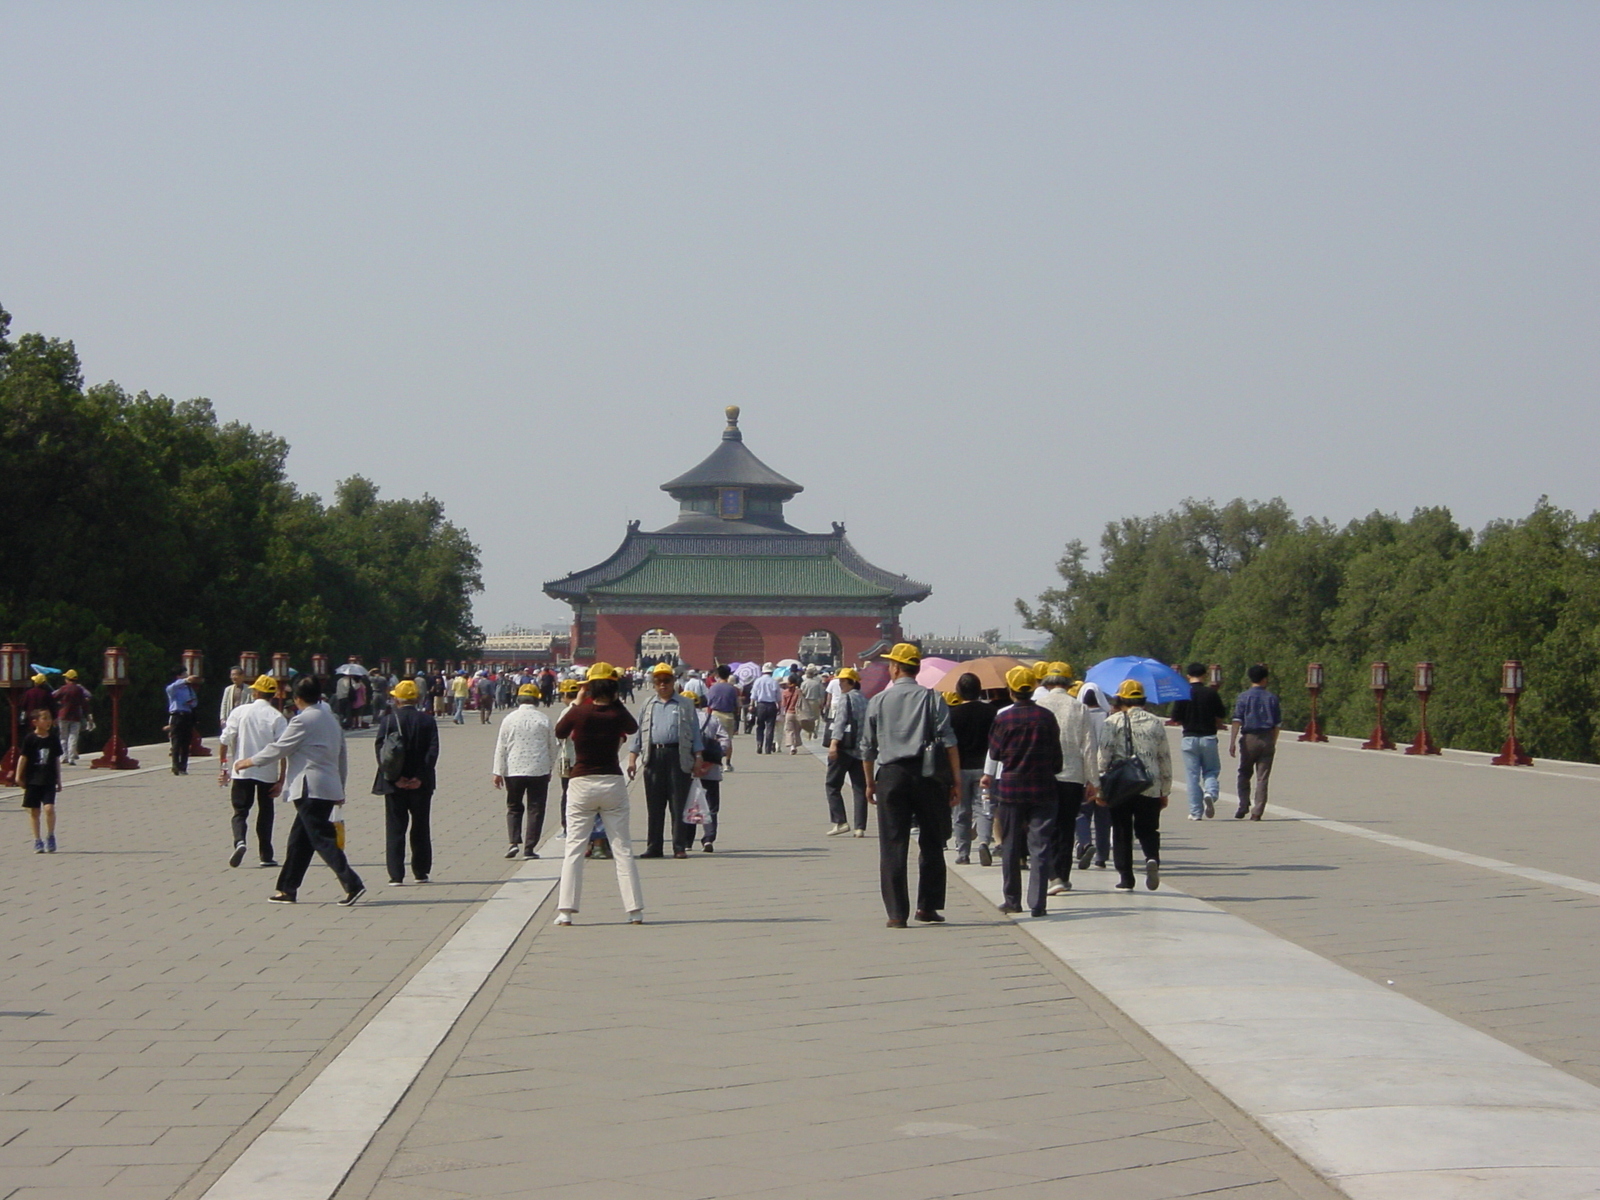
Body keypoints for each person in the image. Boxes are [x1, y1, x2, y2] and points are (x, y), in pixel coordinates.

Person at [236, 675, 365, 906]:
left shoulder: (302, 720)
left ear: (297, 698)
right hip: (327, 785)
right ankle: (287, 889)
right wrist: (340, 786)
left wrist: (250, 761)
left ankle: (352, 883)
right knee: (299, 841)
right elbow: (341, 755)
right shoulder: (330, 717)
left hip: (309, 787)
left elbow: (280, 748)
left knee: (321, 838)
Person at [859, 643, 960, 928]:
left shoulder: (878, 700)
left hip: (891, 776)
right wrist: (955, 782)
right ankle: (927, 907)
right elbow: (949, 741)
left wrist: (870, 782)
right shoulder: (932, 698)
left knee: (893, 844)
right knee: (932, 842)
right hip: (928, 777)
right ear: (915, 669)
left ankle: (896, 912)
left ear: (895, 668)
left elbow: (867, 747)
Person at [552, 663, 643, 925]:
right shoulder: (617, 714)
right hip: (612, 781)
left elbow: (559, 731)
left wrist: (578, 701)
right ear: (614, 688)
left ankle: (566, 911)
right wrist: (615, 701)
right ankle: (634, 909)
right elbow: (633, 727)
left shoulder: (579, 713)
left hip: (581, 782)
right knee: (622, 847)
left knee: (574, 848)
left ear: (589, 686)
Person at [982, 667, 1063, 917]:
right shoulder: (1047, 717)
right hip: (1043, 788)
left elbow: (995, 753)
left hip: (1010, 790)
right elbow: (1057, 759)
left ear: (1011, 690)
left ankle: (1012, 900)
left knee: (1010, 845)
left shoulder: (1003, 719)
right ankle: (1038, 903)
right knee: (1040, 845)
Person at [1097, 679, 1172, 892]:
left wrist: (1099, 787)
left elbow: (1104, 755)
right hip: (1149, 783)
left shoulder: (1114, 721)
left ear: (1120, 698)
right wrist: (1164, 790)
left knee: (1121, 830)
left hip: (1122, 784)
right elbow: (1164, 757)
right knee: (1148, 828)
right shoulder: (1156, 722)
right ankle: (1151, 857)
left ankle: (1126, 877)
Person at [626, 663, 706, 859]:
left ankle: (679, 846)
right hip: (654, 756)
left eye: (666, 681)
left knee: (678, 804)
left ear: (673, 681)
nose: (663, 685)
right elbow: (639, 734)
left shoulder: (685, 704)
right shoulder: (648, 704)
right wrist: (632, 759)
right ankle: (654, 846)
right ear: (654, 684)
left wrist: (698, 757)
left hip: (678, 756)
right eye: (658, 681)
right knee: (654, 805)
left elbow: (695, 732)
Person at [1033, 662, 1098, 894]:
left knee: (1044, 826)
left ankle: (1050, 875)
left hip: (1044, 774)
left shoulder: (1038, 705)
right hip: (1073, 775)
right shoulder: (1079, 707)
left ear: (1047, 681)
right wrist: (1093, 781)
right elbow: (1089, 747)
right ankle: (1063, 874)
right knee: (1066, 826)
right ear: (1069, 682)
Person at [372, 679, 440, 885]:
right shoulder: (428, 721)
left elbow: (380, 752)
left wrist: (395, 777)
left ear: (396, 699)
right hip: (422, 784)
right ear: (418, 699)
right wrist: (419, 777)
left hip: (394, 783)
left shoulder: (389, 721)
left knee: (395, 827)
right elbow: (433, 752)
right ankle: (421, 872)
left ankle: (396, 874)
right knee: (420, 826)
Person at [218, 673, 287, 868]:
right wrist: (281, 779)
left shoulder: (240, 712)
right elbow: (283, 749)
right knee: (265, 811)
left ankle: (240, 841)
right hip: (268, 771)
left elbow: (224, 740)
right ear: (272, 695)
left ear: (255, 692)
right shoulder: (277, 717)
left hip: (242, 770)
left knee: (240, 811)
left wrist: (223, 767)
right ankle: (266, 854)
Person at [493, 683, 558, 859]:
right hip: (538, 769)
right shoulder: (543, 719)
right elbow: (553, 747)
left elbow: (502, 746)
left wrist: (498, 771)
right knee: (535, 808)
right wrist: (549, 767)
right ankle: (529, 848)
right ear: (537, 699)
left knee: (514, 806)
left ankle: (513, 842)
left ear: (518, 698)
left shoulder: (509, 718)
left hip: (514, 769)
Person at [948, 672, 997, 865]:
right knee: (984, 807)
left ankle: (963, 852)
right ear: (979, 690)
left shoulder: (953, 714)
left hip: (960, 769)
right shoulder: (991, 712)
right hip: (985, 768)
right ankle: (984, 841)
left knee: (961, 811)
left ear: (959, 691)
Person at [1171, 662, 1227, 820]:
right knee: (1211, 770)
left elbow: (1175, 717)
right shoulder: (1211, 693)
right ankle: (1210, 792)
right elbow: (1221, 713)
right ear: (1205, 675)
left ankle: (1196, 812)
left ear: (1188, 676)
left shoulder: (1183, 693)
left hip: (1189, 738)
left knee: (1192, 776)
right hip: (1208, 737)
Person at [1229, 664, 1282, 820]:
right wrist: (1273, 741)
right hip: (1267, 738)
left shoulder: (1243, 697)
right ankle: (1257, 811)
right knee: (1262, 777)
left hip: (1249, 739)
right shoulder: (1272, 698)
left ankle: (1243, 804)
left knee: (1244, 773)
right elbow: (1277, 725)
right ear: (1265, 679)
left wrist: (1232, 741)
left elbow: (1237, 720)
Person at [824, 667, 869, 837]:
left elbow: (840, 722)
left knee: (832, 785)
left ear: (851, 682)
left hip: (844, 748)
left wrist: (834, 744)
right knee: (859, 788)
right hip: (860, 750)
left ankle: (840, 821)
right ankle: (860, 827)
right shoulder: (865, 700)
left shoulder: (845, 698)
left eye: (843, 681)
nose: (840, 684)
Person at [1073, 682, 1114, 870]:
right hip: (1105, 771)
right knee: (1103, 817)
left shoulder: (1078, 715)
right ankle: (1102, 856)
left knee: (1081, 812)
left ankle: (1084, 842)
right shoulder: (1108, 717)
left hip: (1082, 770)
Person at [20, 708, 62, 852]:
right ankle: (37, 840)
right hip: (33, 780)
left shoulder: (53, 739)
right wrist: (18, 776)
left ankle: (50, 835)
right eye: (44, 718)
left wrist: (59, 779)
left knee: (49, 808)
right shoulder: (30, 739)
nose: (48, 721)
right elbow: (23, 758)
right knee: (34, 811)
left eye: (49, 718)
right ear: (35, 722)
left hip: (49, 779)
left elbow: (56, 759)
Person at [694, 696, 731, 851]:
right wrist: (714, 758)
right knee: (711, 805)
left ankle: (686, 840)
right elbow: (725, 740)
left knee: (689, 803)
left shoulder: (681, 720)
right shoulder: (712, 719)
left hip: (689, 770)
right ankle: (708, 838)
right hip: (711, 770)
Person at [52, 670, 92, 766]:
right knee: (73, 737)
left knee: (63, 737)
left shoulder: (63, 688)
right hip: (76, 716)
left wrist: (58, 705)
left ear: (67, 679)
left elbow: (53, 697)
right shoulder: (79, 690)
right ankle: (71, 757)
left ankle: (64, 756)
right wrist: (88, 716)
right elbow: (84, 704)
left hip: (63, 715)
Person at [165, 667, 200, 775]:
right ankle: (175, 766)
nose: (186, 675)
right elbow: (171, 688)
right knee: (176, 742)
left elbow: (195, 701)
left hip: (187, 715)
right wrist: (185, 680)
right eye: (184, 673)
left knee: (186, 742)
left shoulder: (188, 688)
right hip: (177, 716)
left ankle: (183, 766)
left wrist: (191, 703)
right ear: (178, 676)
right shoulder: (173, 688)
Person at [705, 665, 740, 770]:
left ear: (718, 675)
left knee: (716, 740)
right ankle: (727, 764)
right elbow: (736, 705)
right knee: (728, 740)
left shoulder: (713, 687)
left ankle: (717, 762)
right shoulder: (732, 689)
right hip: (728, 715)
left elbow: (709, 704)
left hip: (715, 714)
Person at [750, 663, 781, 753]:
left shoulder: (757, 681)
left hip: (761, 705)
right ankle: (768, 748)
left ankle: (759, 744)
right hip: (771, 705)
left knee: (760, 726)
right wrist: (778, 706)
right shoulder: (774, 682)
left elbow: (753, 695)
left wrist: (752, 705)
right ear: (771, 672)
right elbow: (778, 696)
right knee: (770, 727)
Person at [798, 665, 826, 740]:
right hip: (815, 701)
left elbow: (801, 693)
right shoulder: (817, 683)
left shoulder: (803, 683)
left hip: (806, 702)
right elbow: (821, 694)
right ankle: (815, 731)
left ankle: (809, 732)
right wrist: (822, 704)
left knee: (807, 718)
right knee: (816, 717)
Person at [779, 676, 803, 753]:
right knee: (797, 730)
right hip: (798, 713)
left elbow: (783, 704)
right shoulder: (799, 691)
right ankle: (796, 744)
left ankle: (792, 746)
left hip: (789, 712)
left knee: (789, 730)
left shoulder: (785, 692)